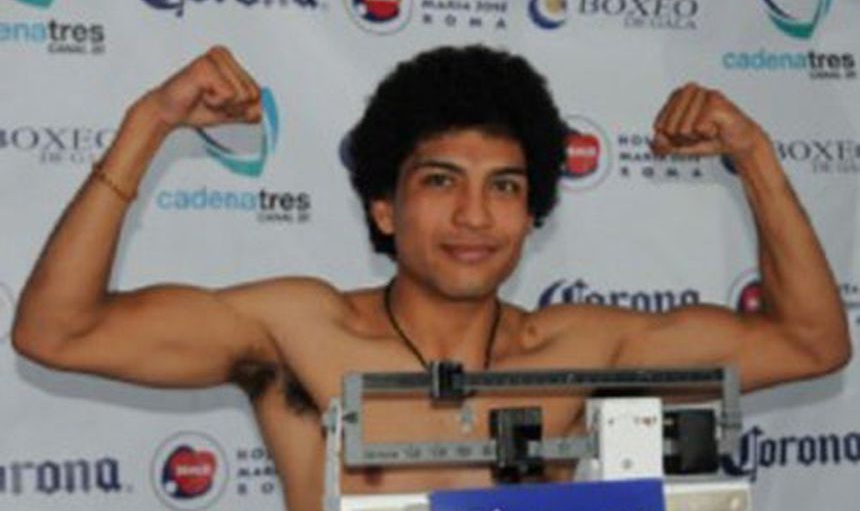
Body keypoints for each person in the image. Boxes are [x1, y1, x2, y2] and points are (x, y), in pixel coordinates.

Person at [11, 45, 850, 511]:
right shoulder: (302, 332)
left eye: (505, 187)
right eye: (442, 181)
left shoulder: (584, 348)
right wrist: (149, 122)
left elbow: (811, 343)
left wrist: (754, 157)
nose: (475, 216)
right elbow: (57, 331)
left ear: (532, 213)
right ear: (384, 207)